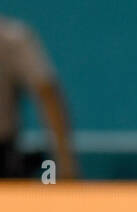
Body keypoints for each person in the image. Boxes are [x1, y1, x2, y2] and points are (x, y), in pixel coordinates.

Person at [0, 14, 77, 179]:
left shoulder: (11, 39)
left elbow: (47, 93)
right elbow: (47, 93)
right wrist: (66, 165)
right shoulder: (11, 38)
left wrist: (66, 165)